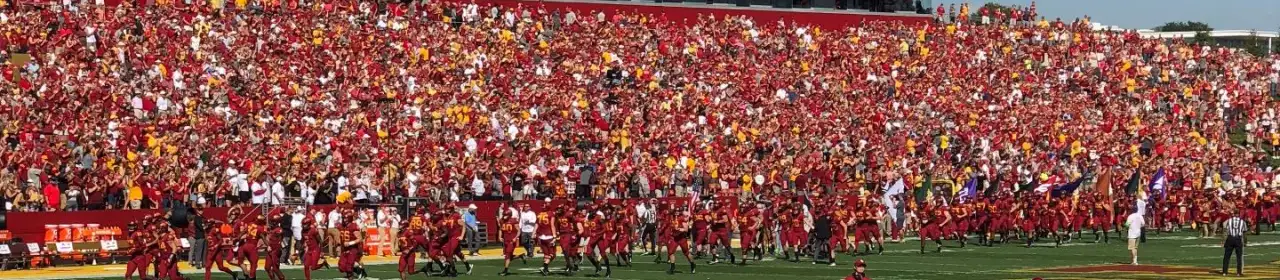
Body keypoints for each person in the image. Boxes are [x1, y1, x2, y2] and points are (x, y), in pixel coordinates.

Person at [1222, 209, 1247, 276]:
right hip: (1238, 239)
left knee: (1226, 256)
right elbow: (1244, 233)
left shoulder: (1229, 221)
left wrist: (1223, 240)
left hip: (1230, 238)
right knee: (1239, 257)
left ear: (1233, 214)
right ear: (1239, 214)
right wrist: (1245, 242)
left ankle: (1224, 272)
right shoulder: (1242, 222)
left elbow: (1225, 229)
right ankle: (1238, 272)